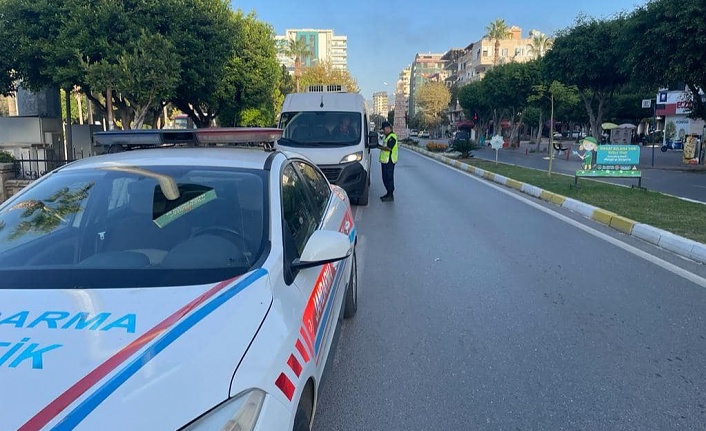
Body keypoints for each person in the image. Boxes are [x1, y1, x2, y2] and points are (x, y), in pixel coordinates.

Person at [379, 121, 398, 202]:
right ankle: (388, 193)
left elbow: (389, 148)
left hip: (389, 161)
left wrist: (379, 147)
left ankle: (390, 195)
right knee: (385, 178)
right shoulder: (387, 137)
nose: (383, 131)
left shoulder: (392, 137)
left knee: (389, 178)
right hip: (385, 161)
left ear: (387, 128)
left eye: (383, 129)